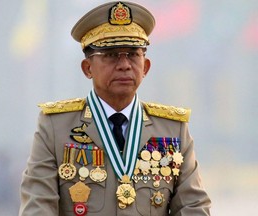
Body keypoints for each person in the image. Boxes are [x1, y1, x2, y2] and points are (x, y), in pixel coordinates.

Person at [19, 1, 211, 216]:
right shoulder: (56, 127)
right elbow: (38, 206)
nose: (124, 64)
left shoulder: (172, 129)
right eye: (111, 55)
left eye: (132, 54)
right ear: (87, 68)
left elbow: (193, 207)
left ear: (145, 66)